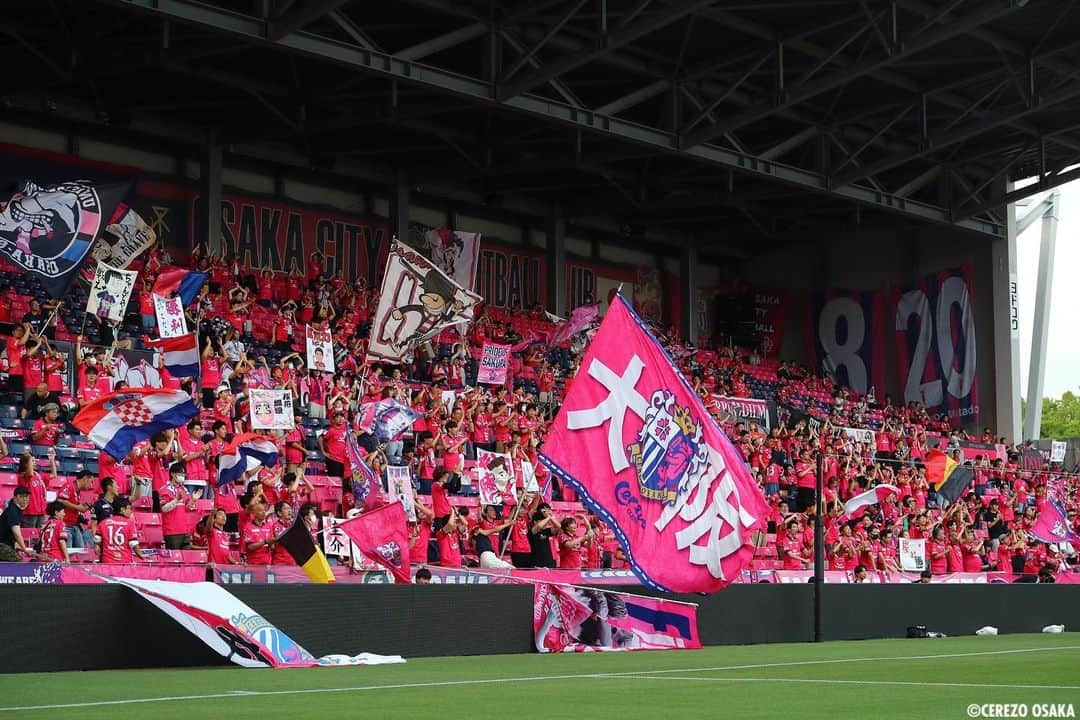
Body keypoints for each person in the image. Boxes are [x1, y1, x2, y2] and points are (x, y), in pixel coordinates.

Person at [160, 461, 200, 549]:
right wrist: (177, 500)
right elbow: (164, 509)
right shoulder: (165, 489)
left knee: (186, 560)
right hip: (172, 531)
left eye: (183, 473)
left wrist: (193, 500)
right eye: (180, 473)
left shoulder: (184, 489)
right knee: (174, 560)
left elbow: (187, 508)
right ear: (173, 474)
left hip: (185, 529)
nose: (183, 476)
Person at [96, 497, 147, 563]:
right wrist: (141, 555)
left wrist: (97, 545)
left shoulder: (103, 523)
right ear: (122, 509)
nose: (131, 511)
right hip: (124, 563)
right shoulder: (130, 524)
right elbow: (133, 543)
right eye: (129, 508)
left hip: (107, 562)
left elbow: (97, 540)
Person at [0, 487, 31, 560]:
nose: (25, 499)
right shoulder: (12, 511)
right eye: (22, 496)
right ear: (15, 498)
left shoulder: (16, 510)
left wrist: (17, 545)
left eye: (27, 496)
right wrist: (25, 549)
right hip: (2, 546)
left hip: (7, 545)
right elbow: (17, 534)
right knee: (18, 564)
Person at [528, 502, 559, 568]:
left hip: (550, 563)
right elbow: (539, 526)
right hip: (538, 564)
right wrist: (548, 517)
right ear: (535, 522)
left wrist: (551, 518)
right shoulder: (532, 531)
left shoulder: (547, 531)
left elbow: (559, 527)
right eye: (541, 520)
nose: (545, 523)